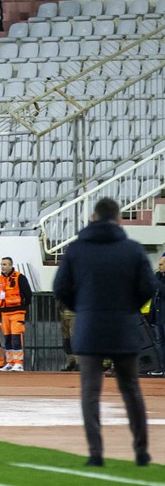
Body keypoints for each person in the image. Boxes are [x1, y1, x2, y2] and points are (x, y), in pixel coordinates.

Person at [53, 197, 154, 467]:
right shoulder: (132, 250)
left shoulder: (76, 250)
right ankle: (141, 451)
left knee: (90, 392)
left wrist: (83, 308)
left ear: (94, 217)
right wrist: (128, 309)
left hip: (90, 328)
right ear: (118, 218)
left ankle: (96, 453)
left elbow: (60, 288)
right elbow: (148, 287)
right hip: (124, 327)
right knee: (131, 390)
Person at [0, 256, 32, 372]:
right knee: (7, 338)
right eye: (2, 264)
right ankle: (10, 362)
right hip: (4, 313)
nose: (3, 266)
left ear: (11, 265)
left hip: (17, 312)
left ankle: (19, 363)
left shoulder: (19, 277)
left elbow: (28, 294)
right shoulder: (0, 279)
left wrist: (23, 306)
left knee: (16, 337)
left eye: (5, 264)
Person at [151, 256, 165, 376]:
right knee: (159, 342)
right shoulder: (158, 276)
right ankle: (161, 366)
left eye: (161, 264)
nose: (159, 266)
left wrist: (158, 283)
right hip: (158, 315)